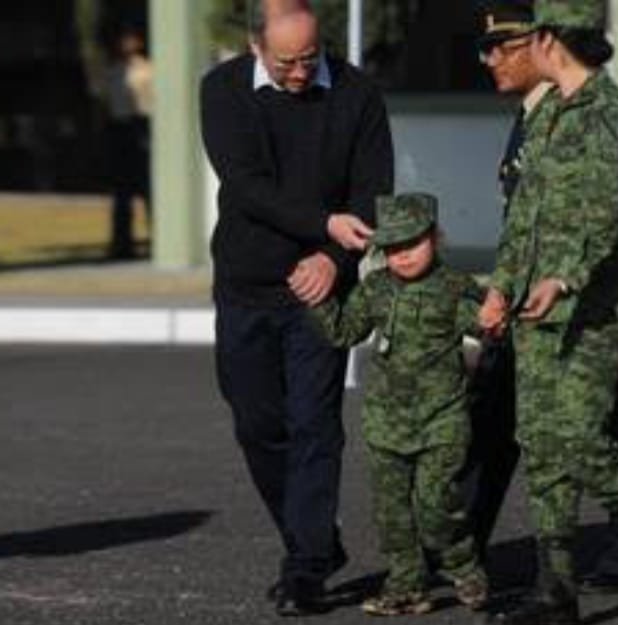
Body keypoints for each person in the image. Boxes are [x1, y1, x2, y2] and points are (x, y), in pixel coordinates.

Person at [477, 1, 618, 623]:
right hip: (534, 308)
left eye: (527, 37)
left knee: (581, 436)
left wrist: (563, 279)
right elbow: (523, 217)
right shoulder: (547, 115)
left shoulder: (611, 115)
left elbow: (602, 214)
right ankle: (555, 589)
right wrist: (501, 285)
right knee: (539, 443)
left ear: (549, 38)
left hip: (594, 311)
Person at [199, 0, 394, 616]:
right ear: (257, 46)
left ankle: (306, 566)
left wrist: (333, 261)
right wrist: (322, 226)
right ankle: (312, 538)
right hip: (245, 285)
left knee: (315, 424)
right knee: (257, 423)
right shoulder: (223, 90)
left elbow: (374, 186)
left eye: (310, 58)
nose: (300, 72)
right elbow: (246, 184)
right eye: (286, 62)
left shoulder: (358, 93)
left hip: (321, 292)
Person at [308, 193, 489, 617]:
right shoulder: (375, 289)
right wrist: (317, 298)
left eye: (412, 244)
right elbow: (344, 333)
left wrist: (493, 319)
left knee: (433, 504)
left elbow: (487, 328)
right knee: (391, 514)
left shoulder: (454, 288)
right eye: (391, 249)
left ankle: (464, 565)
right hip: (385, 422)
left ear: (435, 238)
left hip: (441, 420)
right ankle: (406, 585)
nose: (402, 256)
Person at [102, 27, 153, 259]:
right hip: (119, 128)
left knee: (148, 190)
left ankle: (160, 241)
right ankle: (121, 244)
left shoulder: (148, 68)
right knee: (121, 193)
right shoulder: (112, 70)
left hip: (142, 125)